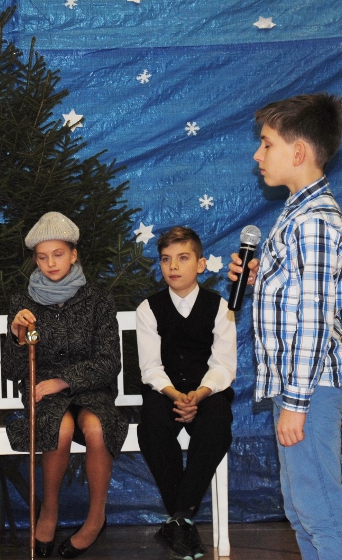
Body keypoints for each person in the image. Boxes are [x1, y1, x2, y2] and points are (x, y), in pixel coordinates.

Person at [228, 93, 342, 560]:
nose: (257, 154)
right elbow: (299, 292)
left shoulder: (314, 224)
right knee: (302, 509)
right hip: (300, 385)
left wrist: (297, 403)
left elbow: (314, 319)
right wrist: (261, 276)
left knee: (320, 509)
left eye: (267, 144)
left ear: (298, 152)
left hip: (311, 387)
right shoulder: (297, 215)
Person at [4, 212, 128, 559]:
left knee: (97, 427)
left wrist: (64, 381)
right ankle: (50, 510)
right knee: (60, 427)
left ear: (73, 254)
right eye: (42, 257)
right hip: (43, 390)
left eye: (58, 254)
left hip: (91, 388)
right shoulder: (22, 303)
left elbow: (110, 362)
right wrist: (17, 338)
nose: (50, 263)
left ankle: (95, 517)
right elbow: (13, 371)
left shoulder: (98, 300)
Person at [136, 226, 236, 560]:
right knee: (152, 425)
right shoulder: (149, 309)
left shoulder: (219, 307)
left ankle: (177, 520)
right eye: (166, 259)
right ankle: (183, 521)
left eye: (183, 258)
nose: (173, 266)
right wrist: (176, 395)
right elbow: (150, 367)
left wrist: (199, 394)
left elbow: (223, 365)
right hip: (165, 391)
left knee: (217, 423)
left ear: (201, 264)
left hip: (206, 392)